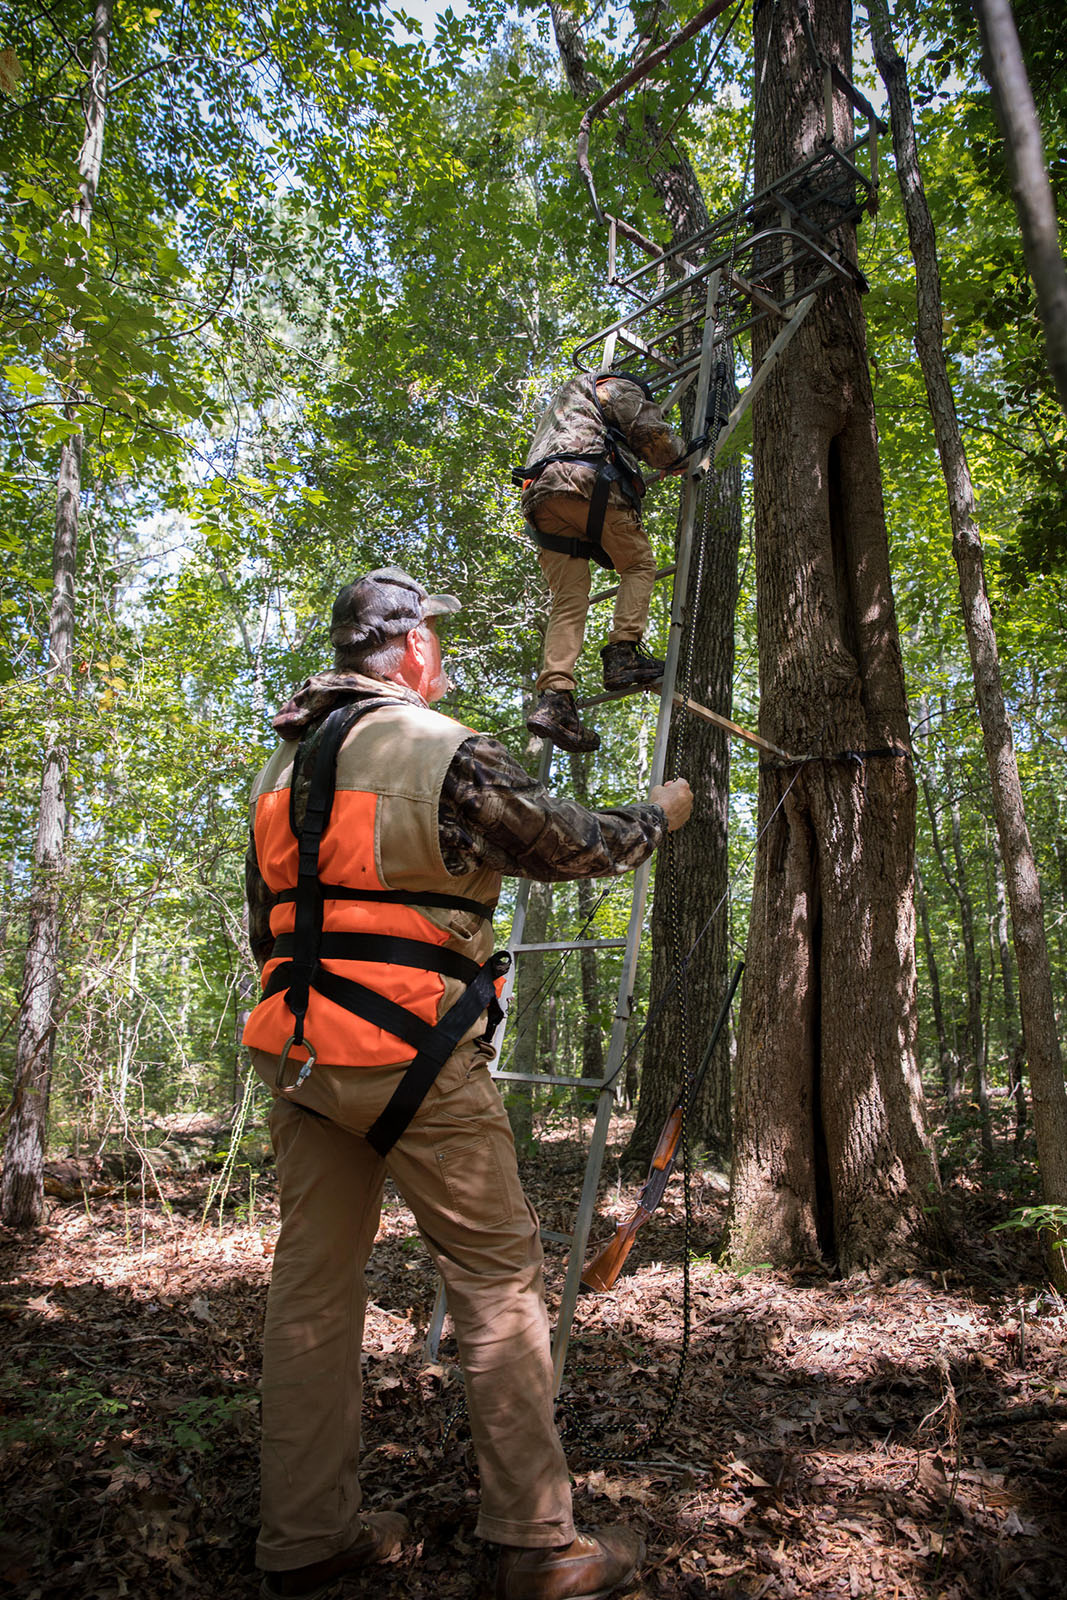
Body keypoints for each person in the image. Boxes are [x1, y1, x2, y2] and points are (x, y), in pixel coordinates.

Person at [243, 566, 693, 1600]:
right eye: (433, 637)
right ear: (406, 648)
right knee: (497, 1282)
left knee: (310, 1289)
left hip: (302, 1058)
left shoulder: (279, 768)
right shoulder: (437, 750)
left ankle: (304, 1535)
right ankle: (535, 1546)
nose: (438, 653)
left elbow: (281, 914)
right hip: (415, 1062)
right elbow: (569, 845)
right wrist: (658, 814)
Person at [516, 370, 692, 754]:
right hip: (584, 483)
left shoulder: (562, 408)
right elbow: (650, 434)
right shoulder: (611, 387)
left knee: (568, 598)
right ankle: (623, 653)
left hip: (541, 500)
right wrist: (677, 455)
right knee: (638, 565)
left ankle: (555, 697)